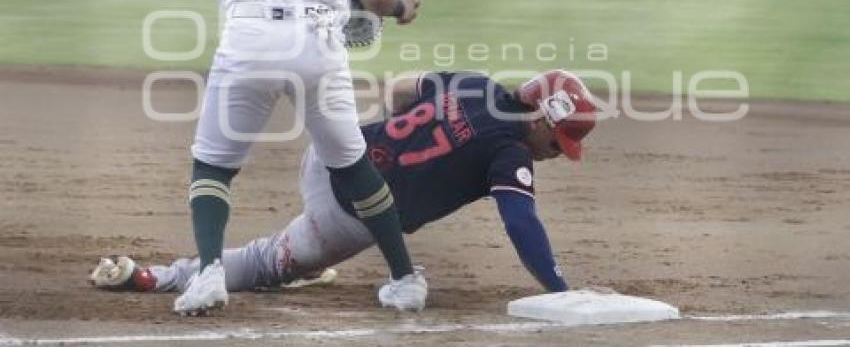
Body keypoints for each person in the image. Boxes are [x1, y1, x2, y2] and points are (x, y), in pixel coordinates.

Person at [176, 0, 423, 315]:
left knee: (213, 164)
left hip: (246, 35)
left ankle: (207, 276)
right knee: (351, 164)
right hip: (316, 40)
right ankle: (405, 280)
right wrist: (401, 9)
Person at [91, 70, 597, 300]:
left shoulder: (477, 85)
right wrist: (560, 290)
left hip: (335, 154)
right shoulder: (509, 153)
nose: (559, 152)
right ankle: (156, 277)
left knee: (314, 229)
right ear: (542, 116)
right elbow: (520, 222)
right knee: (270, 262)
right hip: (346, 215)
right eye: (562, 139)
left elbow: (401, 89)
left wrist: (406, 144)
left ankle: (300, 262)